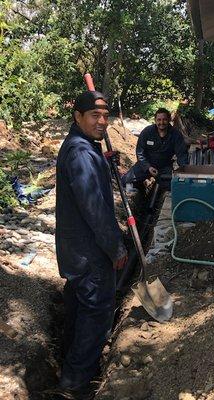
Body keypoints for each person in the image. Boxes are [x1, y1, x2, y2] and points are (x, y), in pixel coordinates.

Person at [55, 90, 127, 399]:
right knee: (96, 312)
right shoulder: (81, 153)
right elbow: (95, 207)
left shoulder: (83, 148)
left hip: (75, 250)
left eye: (106, 116)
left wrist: (103, 160)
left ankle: (65, 362)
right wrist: (116, 248)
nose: (102, 121)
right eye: (95, 116)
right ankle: (75, 382)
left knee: (77, 306)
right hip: (89, 251)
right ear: (78, 117)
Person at [121, 108, 188, 189]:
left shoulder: (176, 134)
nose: (161, 122)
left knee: (172, 187)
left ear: (169, 120)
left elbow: (182, 154)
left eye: (164, 120)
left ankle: (158, 196)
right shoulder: (147, 132)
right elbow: (140, 152)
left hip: (164, 167)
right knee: (126, 181)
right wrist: (147, 167)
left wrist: (184, 171)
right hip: (146, 165)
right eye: (159, 120)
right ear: (155, 120)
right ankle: (141, 188)